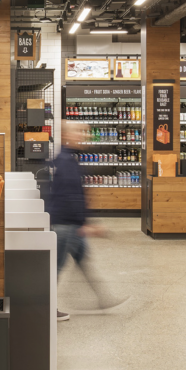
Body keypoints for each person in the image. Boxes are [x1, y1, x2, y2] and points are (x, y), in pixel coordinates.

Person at [47, 120, 127, 321]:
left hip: (71, 224)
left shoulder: (67, 159)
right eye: (78, 132)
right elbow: (70, 197)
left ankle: (104, 298)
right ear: (66, 135)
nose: (83, 136)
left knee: (84, 262)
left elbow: (76, 195)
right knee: (55, 269)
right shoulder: (66, 162)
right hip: (66, 225)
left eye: (84, 132)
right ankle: (46, 309)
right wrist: (85, 225)